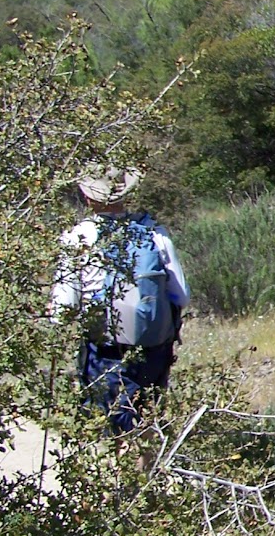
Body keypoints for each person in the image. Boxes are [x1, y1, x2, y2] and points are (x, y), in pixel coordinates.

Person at [50, 166, 190, 435]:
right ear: (126, 194)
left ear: (88, 198)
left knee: (113, 424)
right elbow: (181, 295)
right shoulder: (154, 233)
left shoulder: (77, 237)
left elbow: (63, 310)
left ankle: (120, 475)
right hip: (152, 346)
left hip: (104, 348)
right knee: (145, 420)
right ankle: (143, 474)